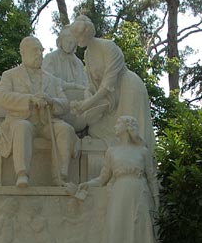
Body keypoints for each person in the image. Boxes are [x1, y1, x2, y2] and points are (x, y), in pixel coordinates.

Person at [78, 115, 159, 243]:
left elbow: (152, 177)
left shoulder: (142, 151)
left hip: (138, 192)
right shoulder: (112, 152)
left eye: (118, 123)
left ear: (127, 127)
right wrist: (87, 184)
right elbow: (103, 178)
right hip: (120, 193)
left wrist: (156, 200)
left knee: (135, 234)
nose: (115, 126)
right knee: (120, 233)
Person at [0, 36, 79, 187]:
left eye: (41, 50)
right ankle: (22, 174)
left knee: (65, 129)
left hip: (47, 122)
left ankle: (60, 176)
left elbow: (65, 104)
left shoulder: (52, 79)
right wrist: (30, 99)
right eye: (35, 50)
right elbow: (3, 97)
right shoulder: (10, 75)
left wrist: (51, 101)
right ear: (23, 52)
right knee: (23, 127)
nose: (39, 54)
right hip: (21, 120)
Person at [66, 14, 155, 149]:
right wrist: (85, 99)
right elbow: (92, 85)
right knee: (95, 129)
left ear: (87, 33)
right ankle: (115, 157)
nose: (77, 40)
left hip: (127, 88)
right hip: (110, 98)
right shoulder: (87, 54)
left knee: (130, 132)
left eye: (78, 36)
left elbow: (107, 84)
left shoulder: (108, 47)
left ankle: (133, 158)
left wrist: (87, 105)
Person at [42, 26, 89, 104]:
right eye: (67, 41)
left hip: (77, 100)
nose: (69, 45)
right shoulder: (51, 58)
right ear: (61, 40)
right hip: (57, 99)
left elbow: (85, 83)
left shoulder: (78, 62)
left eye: (72, 43)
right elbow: (47, 80)